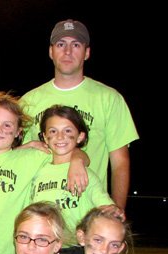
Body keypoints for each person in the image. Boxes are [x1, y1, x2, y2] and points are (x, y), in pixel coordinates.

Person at [0, 92, 88, 254]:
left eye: (7, 125)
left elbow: (70, 150)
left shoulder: (31, 157)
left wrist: (78, 161)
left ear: (18, 131)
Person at [21, 19, 138, 210]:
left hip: (90, 216)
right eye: (61, 44)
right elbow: (21, 161)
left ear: (87, 52)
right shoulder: (28, 102)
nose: (67, 51)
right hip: (43, 220)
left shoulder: (109, 98)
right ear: (51, 52)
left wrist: (116, 214)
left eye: (76, 44)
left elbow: (120, 162)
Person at [31, 105, 121, 254]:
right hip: (45, 248)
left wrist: (113, 210)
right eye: (53, 131)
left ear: (80, 136)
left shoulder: (86, 174)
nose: (60, 137)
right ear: (44, 137)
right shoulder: (37, 172)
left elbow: (106, 207)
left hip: (77, 250)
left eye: (67, 131)